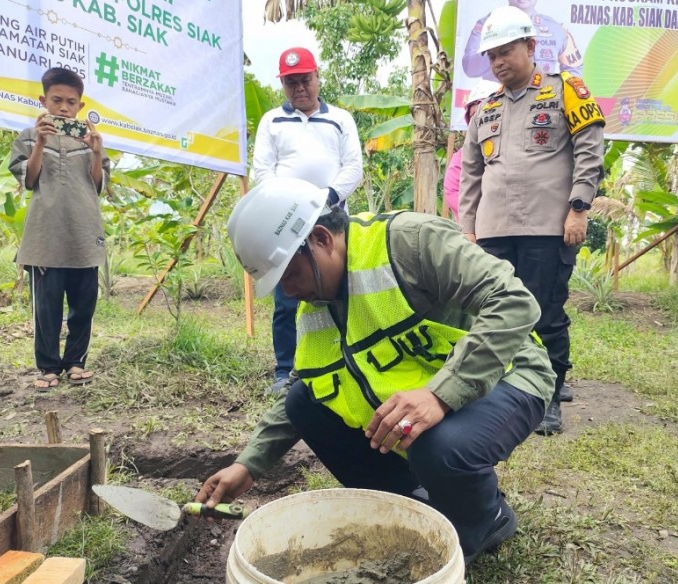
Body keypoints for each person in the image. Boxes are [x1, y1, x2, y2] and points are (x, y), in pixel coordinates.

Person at [196, 178, 556, 564]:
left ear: (320, 239)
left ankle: (485, 520)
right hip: (421, 391)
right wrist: (248, 464)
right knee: (304, 402)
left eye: (288, 274)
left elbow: (514, 301)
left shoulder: (411, 241)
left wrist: (440, 395)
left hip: (509, 374)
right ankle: (412, 508)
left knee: (439, 447)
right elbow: (306, 386)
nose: (288, 292)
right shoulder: (317, 302)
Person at [458, 6, 605, 434]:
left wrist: (578, 208)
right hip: (493, 232)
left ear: (530, 46)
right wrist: (467, 228)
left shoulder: (565, 91)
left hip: (547, 227)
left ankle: (550, 395)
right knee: (492, 311)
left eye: (507, 51)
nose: (500, 61)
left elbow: (590, 150)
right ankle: (499, 386)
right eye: (492, 55)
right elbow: (470, 173)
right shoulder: (484, 110)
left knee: (545, 313)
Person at [252, 47, 363, 395]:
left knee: (335, 290)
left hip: (330, 219)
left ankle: (341, 362)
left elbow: (353, 168)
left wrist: (325, 198)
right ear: (283, 85)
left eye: (305, 80)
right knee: (288, 295)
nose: (299, 88)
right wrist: (290, 204)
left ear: (317, 78)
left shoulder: (340, 119)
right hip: (285, 220)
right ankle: (286, 371)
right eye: (291, 83)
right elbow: (262, 172)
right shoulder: (272, 120)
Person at [9, 67, 109, 391]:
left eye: (70, 102)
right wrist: (39, 142)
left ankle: (76, 362)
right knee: (47, 308)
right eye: (57, 100)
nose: (64, 108)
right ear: (43, 100)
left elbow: (97, 185)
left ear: (80, 105)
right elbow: (30, 180)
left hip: (84, 232)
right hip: (45, 235)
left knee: (84, 305)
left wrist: (96, 152)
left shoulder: (89, 139)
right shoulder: (28, 136)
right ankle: (48, 367)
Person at [463, 0, 583, 81]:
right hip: (498, 105)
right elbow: (469, 68)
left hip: (543, 103)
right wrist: (498, 45)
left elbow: (574, 69)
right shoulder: (486, 25)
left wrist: (560, 93)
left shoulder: (555, 28)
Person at [444, 79, 500, 221]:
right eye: (474, 116)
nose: (479, 121)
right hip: (475, 229)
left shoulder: (514, 148)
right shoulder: (460, 158)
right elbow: (453, 192)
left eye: (484, 115)